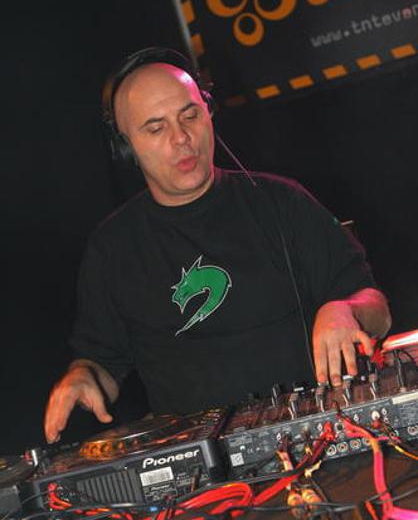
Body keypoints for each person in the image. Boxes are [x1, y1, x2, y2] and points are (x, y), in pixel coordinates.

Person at [44, 48, 391, 444]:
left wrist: (346, 308)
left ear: (209, 113)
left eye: (190, 116)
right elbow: (100, 363)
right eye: (156, 128)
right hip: (199, 463)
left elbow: (377, 309)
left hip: (318, 440)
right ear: (126, 147)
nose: (181, 138)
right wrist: (82, 376)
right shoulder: (112, 249)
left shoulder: (281, 202)